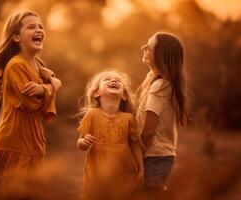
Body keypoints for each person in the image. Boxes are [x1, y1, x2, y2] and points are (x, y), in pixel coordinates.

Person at [0, 10, 62, 197]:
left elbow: (43, 107)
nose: (39, 30)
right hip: (14, 143)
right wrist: (51, 87)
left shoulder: (38, 66)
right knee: (9, 192)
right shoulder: (16, 65)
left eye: (41, 27)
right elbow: (30, 103)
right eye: (31, 27)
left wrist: (46, 83)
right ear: (16, 36)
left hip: (32, 142)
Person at [77, 70, 143, 200]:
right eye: (107, 79)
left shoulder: (129, 118)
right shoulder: (92, 115)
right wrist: (84, 142)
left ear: (124, 95)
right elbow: (80, 143)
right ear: (97, 93)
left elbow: (135, 145)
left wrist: (141, 168)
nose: (114, 80)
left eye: (118, 80)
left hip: (124, 170)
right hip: (98, 170)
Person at [136, 32, 189, 197]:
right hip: (157, 157)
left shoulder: (159, 86)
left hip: (154, 157)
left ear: (161, 56)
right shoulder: (153, 79)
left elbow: (149, 130)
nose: (143, 48)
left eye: (149, 47)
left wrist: (137, 153)